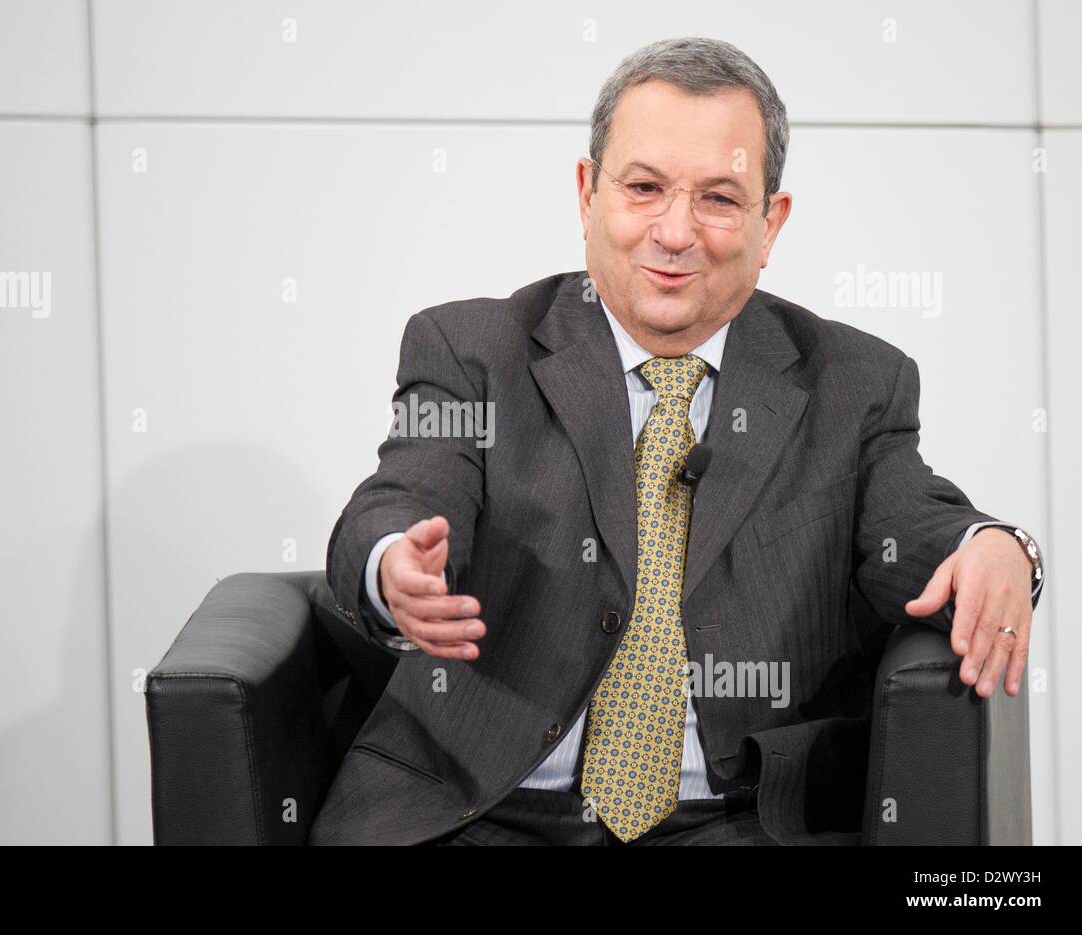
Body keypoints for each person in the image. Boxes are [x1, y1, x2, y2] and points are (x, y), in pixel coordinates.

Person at [311, 36, 1044, 846]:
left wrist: (997, 546)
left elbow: (923, 520)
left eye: (720, 199)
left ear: (771, 223)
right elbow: (404, 494)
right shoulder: (474, 350)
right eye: (644, 188)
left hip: (736, 821)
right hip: (480, 804)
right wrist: (394, 567)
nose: (674, 231)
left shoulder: (853, 381)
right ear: (588, 194)